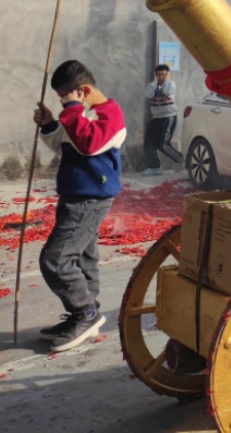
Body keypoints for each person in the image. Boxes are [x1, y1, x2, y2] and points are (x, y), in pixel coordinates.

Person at [33, 60, 126, 352]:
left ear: (83, 90)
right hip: (75, 196)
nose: (64, 103)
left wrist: (72, 110)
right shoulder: (80, 113)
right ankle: (84, 314)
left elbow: (89, 144)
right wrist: (49, 124)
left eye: (66, 97)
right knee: (84, 258)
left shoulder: (110, 115)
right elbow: (65, 141)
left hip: (90, 199)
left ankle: (85, 312)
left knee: (55, 259)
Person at [142, 64, 182, 174]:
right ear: (156, 75)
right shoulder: (152, 85)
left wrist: (163, 82)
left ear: (168, 75)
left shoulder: (171, 84)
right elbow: (148, 94)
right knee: (148, 143)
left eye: (163, 75)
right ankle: (155, 167)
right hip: (156, 118)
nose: (161, 77)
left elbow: (167, 92)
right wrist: (155, 83)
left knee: (163, 144)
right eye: (159, 75)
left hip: (168, 118)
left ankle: (179, 159)